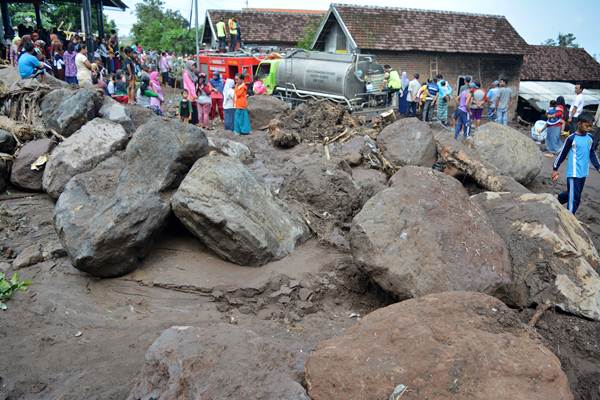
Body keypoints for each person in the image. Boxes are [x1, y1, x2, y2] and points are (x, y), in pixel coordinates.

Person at [552, 114, 600, 214]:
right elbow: (562, 154)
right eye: (587, 126)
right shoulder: (571, 138)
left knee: (573, 193)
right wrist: (555, 168)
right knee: (575, 198)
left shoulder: (590, 138)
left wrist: (598, 167)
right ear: (579, 124)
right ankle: (570, 217)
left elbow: (592, 154)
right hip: (573, 173)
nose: (589, 128)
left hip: (583, 172)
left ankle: (557, 199)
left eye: (590, 126)